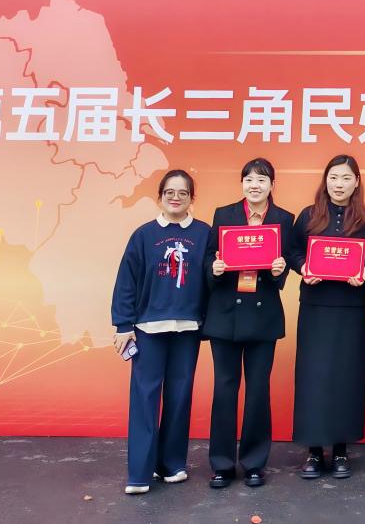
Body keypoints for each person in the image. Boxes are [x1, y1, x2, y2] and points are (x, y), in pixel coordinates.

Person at [111, 169, 210, 495]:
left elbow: (214, 279)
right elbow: (126, 282)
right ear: (160, 197)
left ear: (192, 198)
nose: (176, 198)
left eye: (183, 193)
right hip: (148, 328)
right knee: (145, 398)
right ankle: (140, 473)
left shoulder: (205, 234)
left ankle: (172, 464)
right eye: (170, 192)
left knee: (180, 397)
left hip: (188, 328)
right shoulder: (144, 235)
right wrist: (123, 325)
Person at [201, 158, 295, 489]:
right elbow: (209, 255)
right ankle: (222, 464)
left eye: (261, 180)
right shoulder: (223, 214)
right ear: (242, 184)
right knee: (224, 389)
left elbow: (287, 261)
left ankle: (255, 463)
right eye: (249, 179)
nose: (254, 185)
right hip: (225, 313)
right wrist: (213, 268)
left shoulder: (284, 219)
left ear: (272, 185)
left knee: (257, 391)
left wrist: (280, 269)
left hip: (262, 315)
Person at [290, 154, 365, 480]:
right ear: (325, 181)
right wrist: (304, 267)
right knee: (313, 378)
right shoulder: (308, 215)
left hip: (351, 308)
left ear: (356, 182)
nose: (339, 184)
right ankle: (314, 451)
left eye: (345, 178)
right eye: (333, 177)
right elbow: (292, 251)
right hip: (316, 307)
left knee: (346, 378)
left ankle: (341, 449)